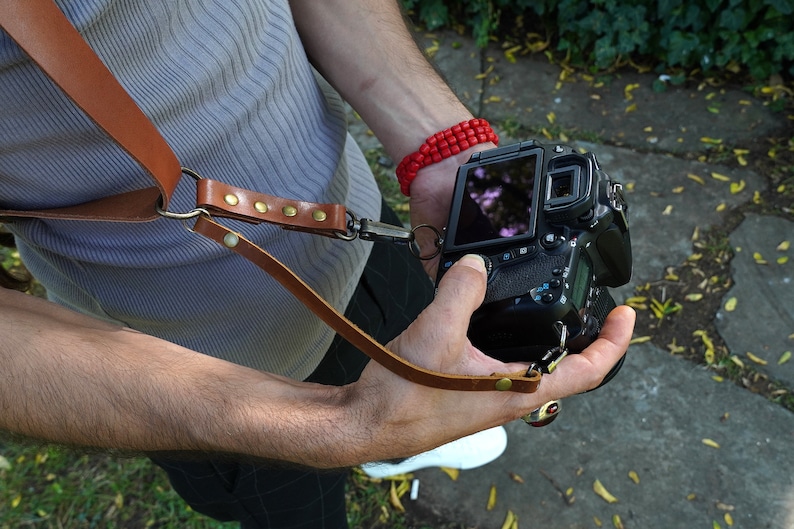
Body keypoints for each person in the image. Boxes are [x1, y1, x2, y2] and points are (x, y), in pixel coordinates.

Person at [0, 0, 636, 527]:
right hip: (199, 363)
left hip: (360, 230)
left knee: (426, 340)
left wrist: (443, 146)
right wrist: (332, 425)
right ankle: (375, 441)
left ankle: (402, 435)